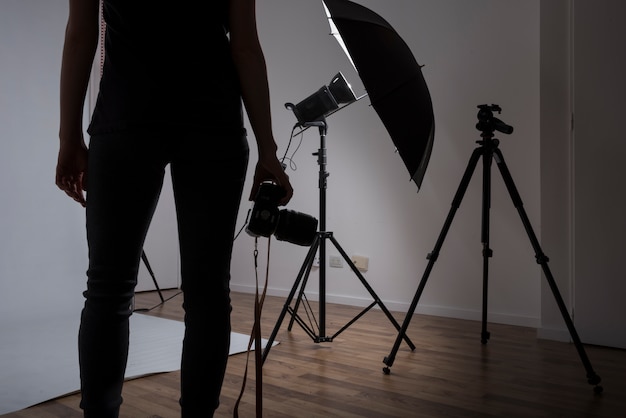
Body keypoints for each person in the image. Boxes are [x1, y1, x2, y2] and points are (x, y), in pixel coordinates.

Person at [55, 1, 293, 416]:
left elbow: (81, 35)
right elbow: (245, 48)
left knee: (108, 290)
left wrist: (69, 138)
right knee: (207, 294)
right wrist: (268, 149)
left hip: (126, 114)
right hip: (211, 120)